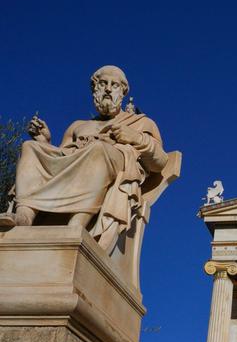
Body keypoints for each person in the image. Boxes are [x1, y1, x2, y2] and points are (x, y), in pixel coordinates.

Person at [1, 66, 168, 253]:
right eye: (103, 84)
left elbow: (161, 161)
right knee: (30, 147)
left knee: (98, 150)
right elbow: (63, 160)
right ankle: (24, 216)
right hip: (80, 165)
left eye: (114, 85)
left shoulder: (141, 123)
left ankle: (77, 223)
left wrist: (134, 137)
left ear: (122, 92)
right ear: (95, 90)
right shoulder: (78, 126)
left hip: (108, 163)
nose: (108, 89)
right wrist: (44, 142)